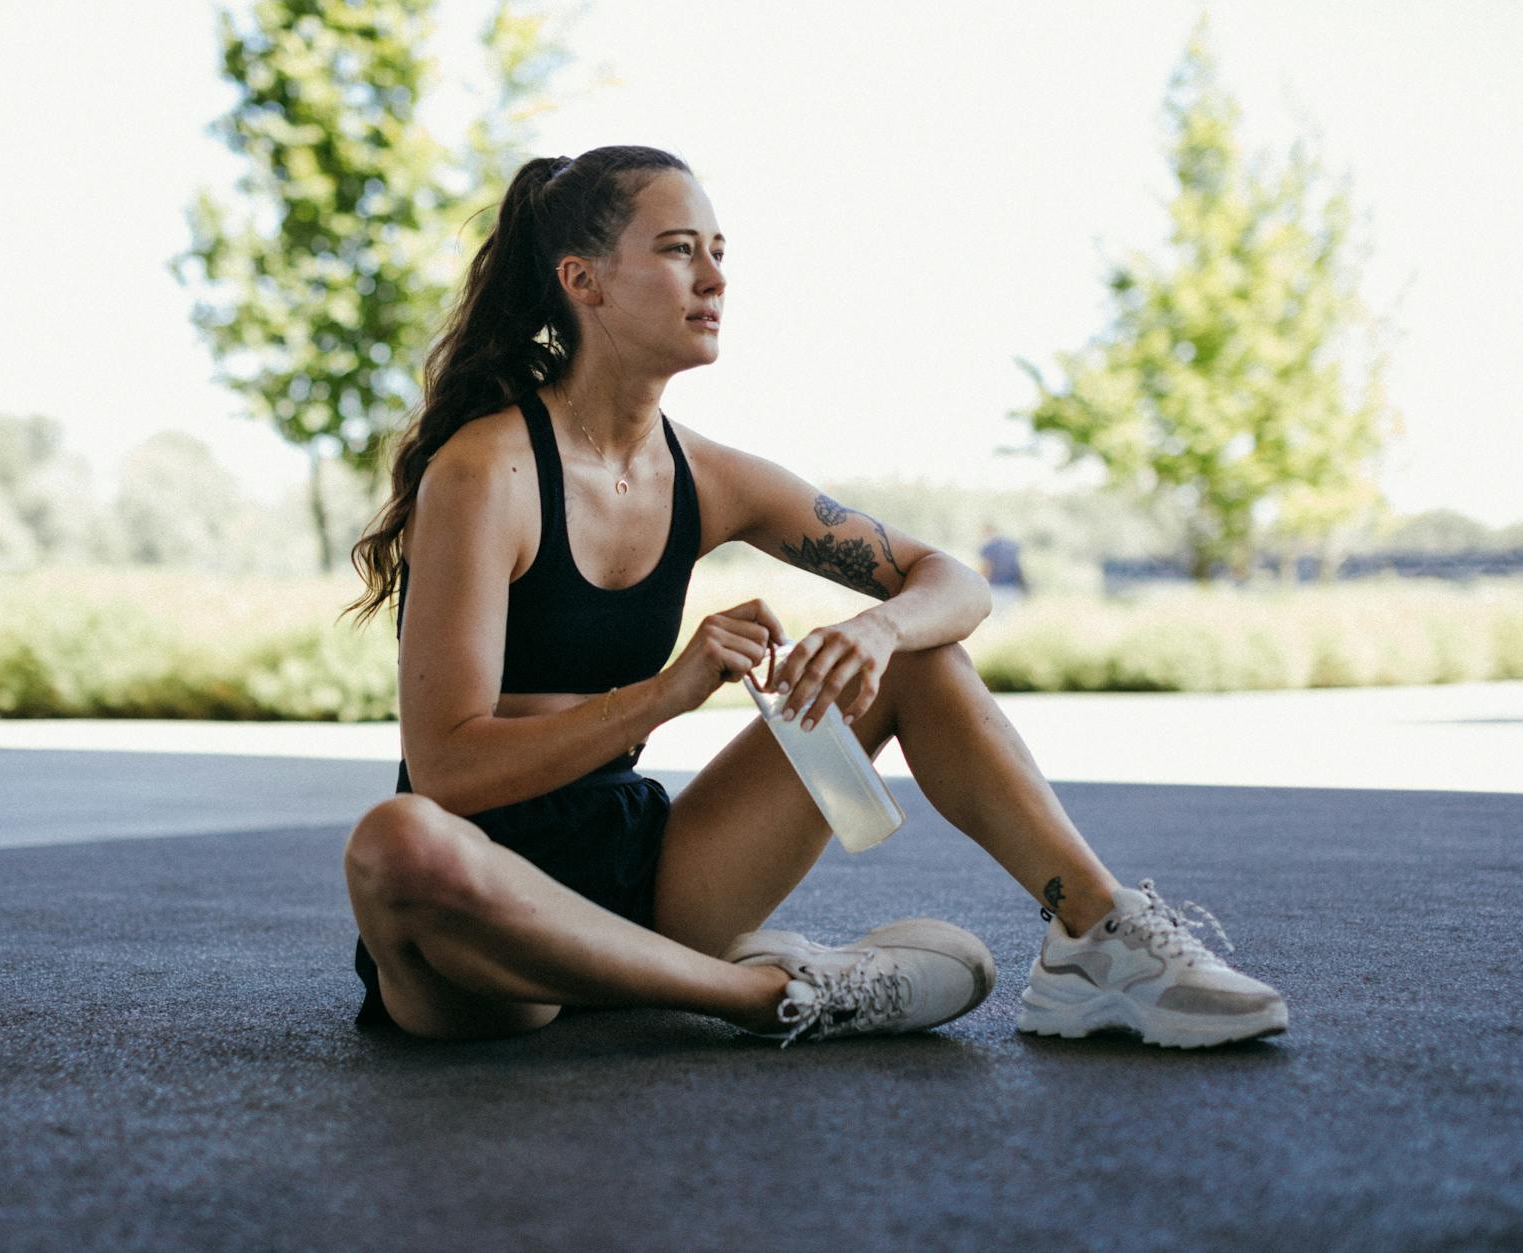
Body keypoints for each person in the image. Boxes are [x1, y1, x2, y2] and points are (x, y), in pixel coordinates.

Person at [339, 145, 1287, 1048]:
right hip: (481, 917)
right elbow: (448, 767)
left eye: (719, 253)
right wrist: (669, 693)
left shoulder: (709, 477)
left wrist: (876, 630)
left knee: (917, 653)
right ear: (582, 280)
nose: (714, 278)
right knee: (395, 841)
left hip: (647, 870)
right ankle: (763, 992)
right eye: (678, 252)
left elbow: (950, 579)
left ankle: (1095, 939)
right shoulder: (485, 473)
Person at [979, 524, 1028, 617]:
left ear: (987, 531)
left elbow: (986, 568)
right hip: (1012, 588)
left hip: (995, 590)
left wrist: (981, 587)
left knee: (994, 620)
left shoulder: (988, 547)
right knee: (1009, 620)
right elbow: (1020, 567)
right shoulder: (1012, 546)